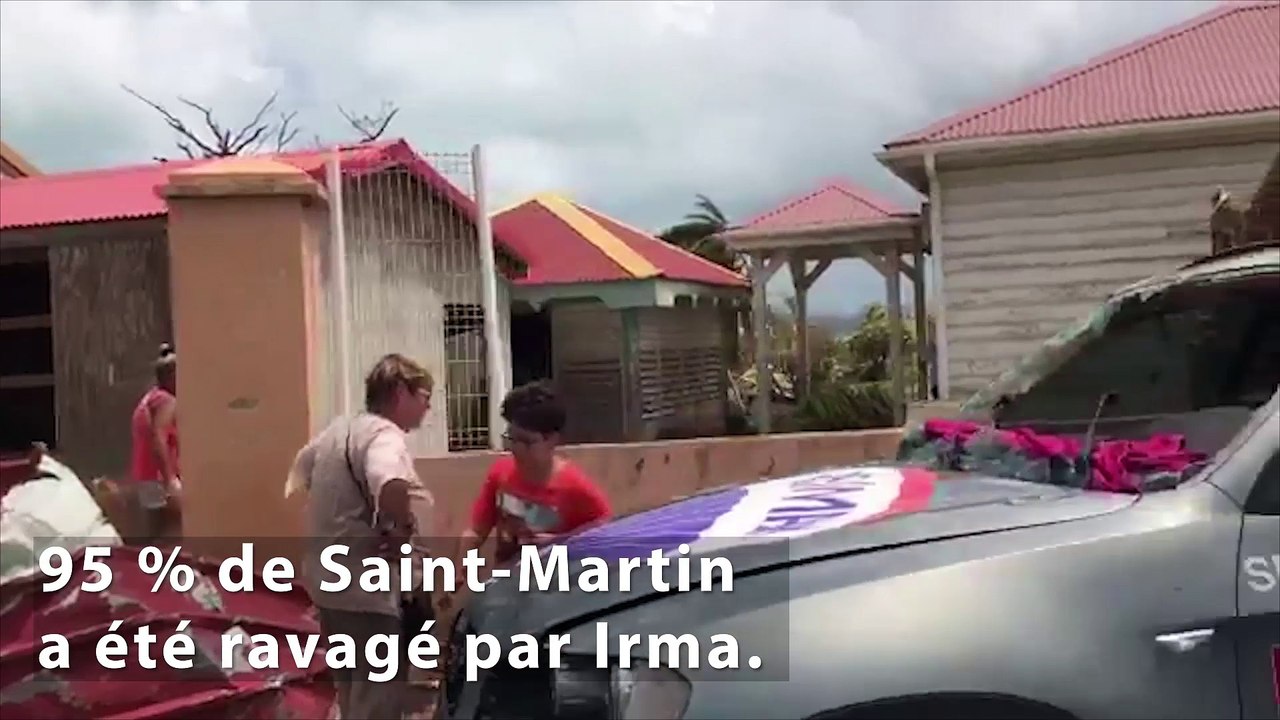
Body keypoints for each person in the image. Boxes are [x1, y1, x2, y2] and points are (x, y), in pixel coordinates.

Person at [290, 353, 434, 720]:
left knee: (351, 691)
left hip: (329, 587)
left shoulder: (338, 430)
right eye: (425, 396)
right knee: (378, 699)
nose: (429, 407)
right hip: (366, 591)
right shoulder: (385, 436)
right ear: (401, 392)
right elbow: (389, 480)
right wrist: (398, 531)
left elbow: (301, 472)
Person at [459, 381, 612, 567]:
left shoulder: (575, 487)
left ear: (552, 440)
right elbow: (476, 531)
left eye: (526, 442)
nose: (516, 449)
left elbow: (603, 528)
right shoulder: (501, 474)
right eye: (512, 439)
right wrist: (460, 567)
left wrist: (559, 540)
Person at [128, 343, 180, 540]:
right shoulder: (166, 401)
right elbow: (159, 438)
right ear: (172, 377)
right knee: (172, 534)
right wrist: (170, 480)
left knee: (158, 534)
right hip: (159, 478)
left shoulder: (150, 398)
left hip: (147, 476)